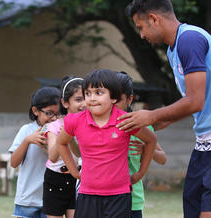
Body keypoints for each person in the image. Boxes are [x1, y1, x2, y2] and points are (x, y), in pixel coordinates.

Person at [119, 1, 211, 217]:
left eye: (140, 27)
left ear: (154, 19)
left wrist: (152, 115)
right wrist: (167, 119)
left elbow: (195, 101)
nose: (142, 35)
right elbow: (199, 100)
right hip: (205, 143)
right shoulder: (174, 50)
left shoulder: (189, 39)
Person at [57, 69, 157, 218]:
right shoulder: (75, 120)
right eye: (88, 93)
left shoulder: (126, 121)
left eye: (98, 93)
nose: (92, 98)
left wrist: (140, 172)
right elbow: (61, 143)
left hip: (119, 196)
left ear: (113, 98)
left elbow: (151, 140)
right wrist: (74, 171)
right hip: (87, 194)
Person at [116, 71, 167, 218]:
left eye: (117, 99)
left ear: (129, 99)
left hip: (133, 199)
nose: (112, 103)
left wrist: (146, 150)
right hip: (106, 197)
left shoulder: (142, 126)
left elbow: (162, 159)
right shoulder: (101, 124)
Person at [9, 87, 61, 218]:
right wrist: (27, 141)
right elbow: (14, 163)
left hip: (51, 201)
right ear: (36, 111)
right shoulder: (26, 130)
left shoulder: (62, 131)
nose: (54, 118)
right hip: (26, 201)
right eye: (49, 113)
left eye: (58, 113)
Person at [43, 76, 86, 218]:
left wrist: (69, 139)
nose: (84, 104)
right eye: (78, 99)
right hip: (55, 179)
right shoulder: (54, 126)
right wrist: (64, 136)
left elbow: (79, 154)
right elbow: (53, 157)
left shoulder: (87, 126)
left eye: (86, 98)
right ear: (65, 102)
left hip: (77, 178)